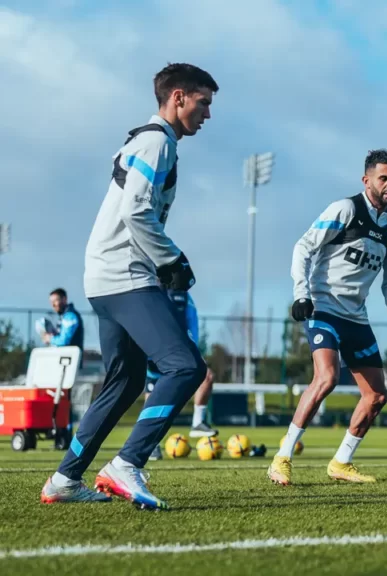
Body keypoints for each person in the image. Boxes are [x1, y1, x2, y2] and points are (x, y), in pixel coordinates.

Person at [41, 63, 218, 509]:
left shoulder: (145, 139)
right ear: (178, 98)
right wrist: (171, 259)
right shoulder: (158, 142)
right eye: (203, 103)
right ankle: (127, 463)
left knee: (125, 380)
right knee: (185, 367)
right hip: (125, 274)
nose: (208, 114)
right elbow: (136, 211)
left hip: (104, 275)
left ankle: (64, 480)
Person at [268, 149, 387, 486]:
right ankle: (282, 457)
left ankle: (341, 462)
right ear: (367, 181)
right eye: (384, 178)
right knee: (327, 378)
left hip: (356, 318)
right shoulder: (346, 210)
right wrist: (301, 294)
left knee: (377, 395)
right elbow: (303, 247)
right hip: (323, 308)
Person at [145, 289, 217, 462]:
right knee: (153, 395)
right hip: (153, 350)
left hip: (179, 348)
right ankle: (150, 443)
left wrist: (191, 349)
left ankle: (198, 422)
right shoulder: (148, 291)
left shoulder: (184, 296)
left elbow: (192, 322)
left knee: (206, 375)